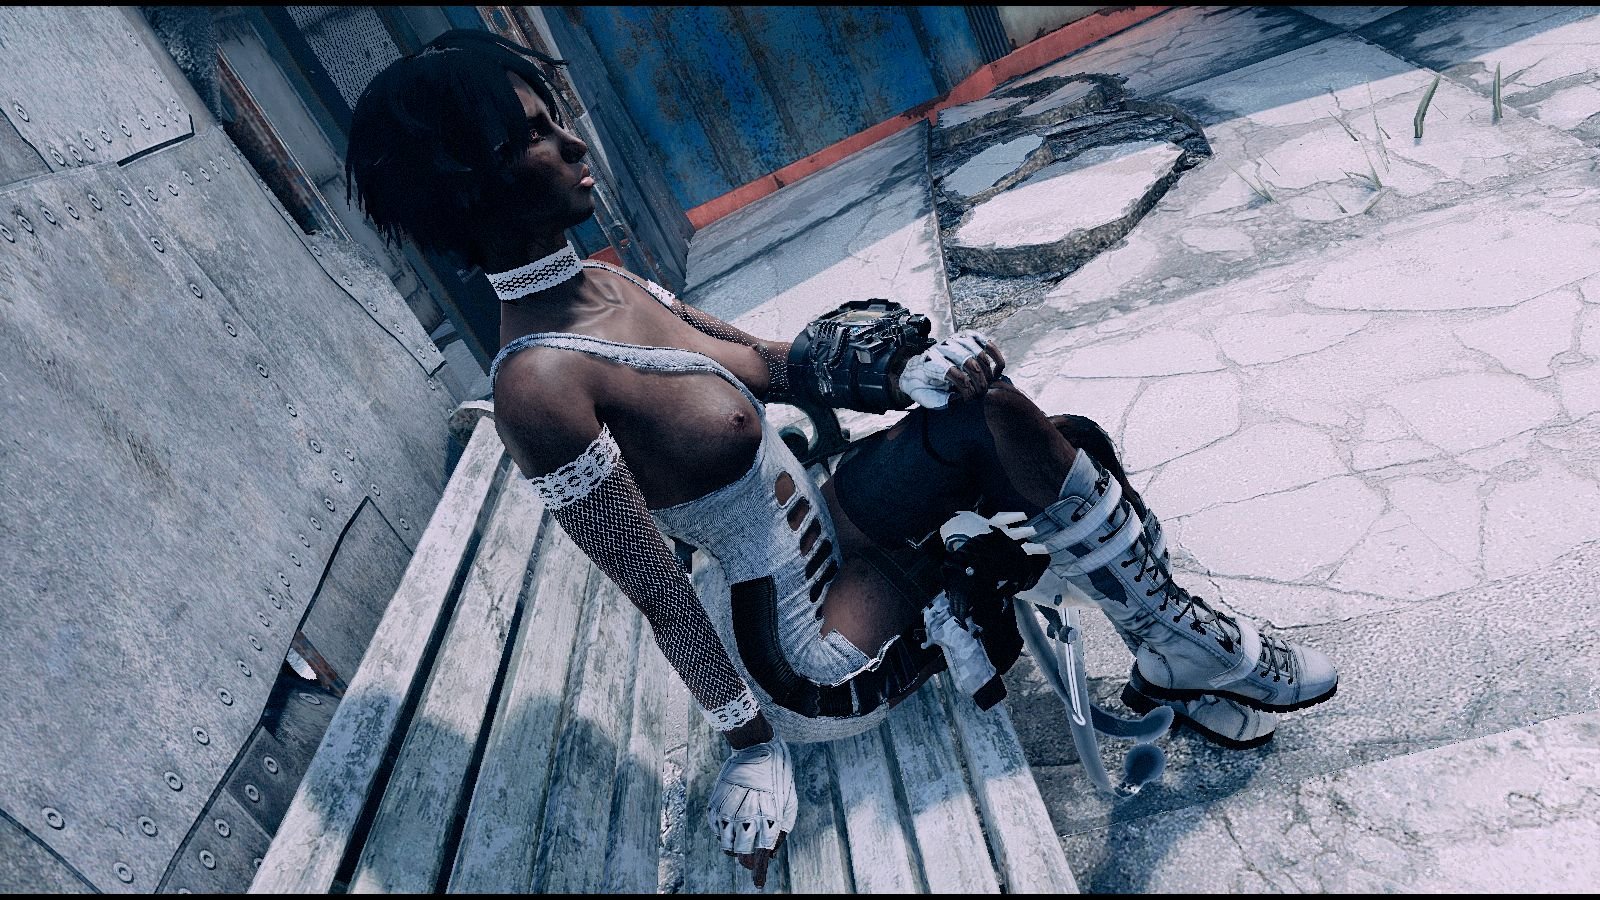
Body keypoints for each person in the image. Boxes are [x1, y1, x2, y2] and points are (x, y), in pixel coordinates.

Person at [345, 31, 1339, 887]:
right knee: (1036, 473)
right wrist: (749, 747)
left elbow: (770, 365)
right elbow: (658, 592)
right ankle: (1187, 656)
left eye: (554, 116)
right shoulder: (538, 387)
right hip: (809, 648)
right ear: (470, 186)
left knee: (989, 413)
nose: (571, 142)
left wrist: (905, 372)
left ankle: (1176, 644)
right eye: (531, 136)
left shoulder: (614, 287)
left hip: (831, 518)